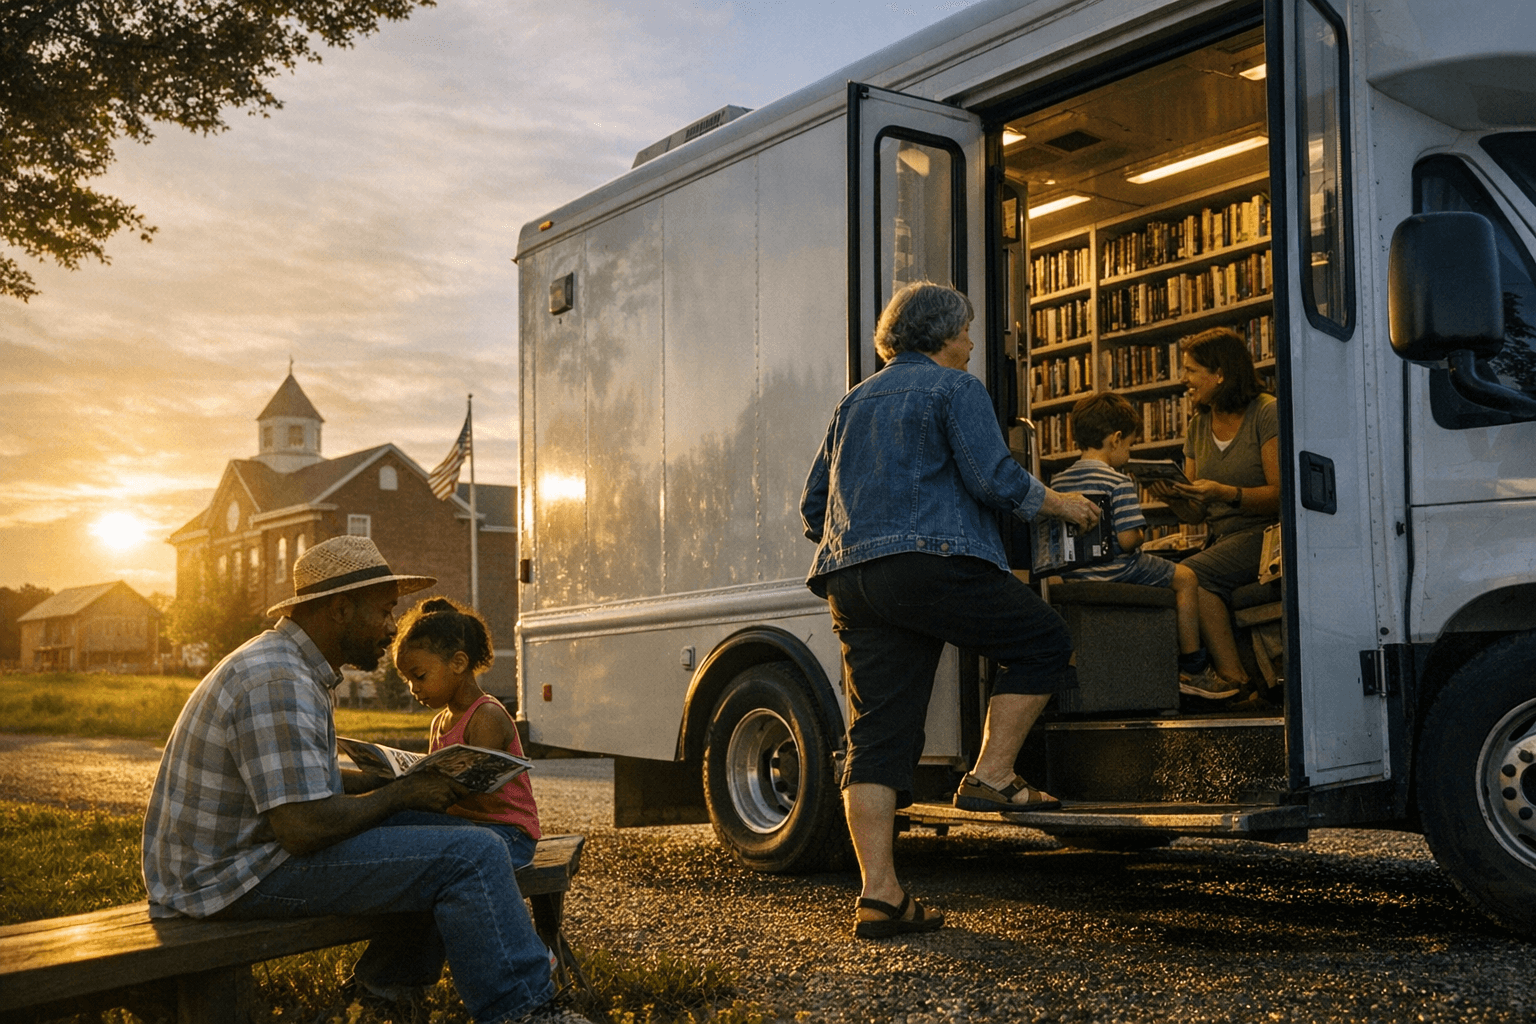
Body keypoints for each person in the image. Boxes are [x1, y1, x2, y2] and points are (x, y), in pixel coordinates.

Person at [142, 536, 589, 1024]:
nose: (391, 626)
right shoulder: (279, 680)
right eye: (383, 611)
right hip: (230, 877)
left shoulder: (289, 667)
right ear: (339, 609)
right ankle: (526, 1011)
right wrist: (399, 792)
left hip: (240, 858)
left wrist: (381, 779)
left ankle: (386, 988)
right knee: (472, 853)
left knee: (437, 836)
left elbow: (295, 786)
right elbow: (302, 827)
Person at [800, 281, 1101, 940]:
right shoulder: (954, 389)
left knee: (877, 736)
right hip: (932, 561)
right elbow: (994, 478)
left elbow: (813, 503)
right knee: (1043, 640)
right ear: (941, 334)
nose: (971, 343)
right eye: (965, 330)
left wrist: (868, 540)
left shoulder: (852, 401)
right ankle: (992, 773)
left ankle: (880, 895)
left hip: (851, 579)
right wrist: (1064, 506)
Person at [1148, 327, 1280, 703]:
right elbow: (1195, 511)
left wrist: (1228, 494)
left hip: (1268, 534)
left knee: (1194, 574)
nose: (1183, 379)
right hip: (1223, 538)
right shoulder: (1197, 425)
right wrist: (1173, 496)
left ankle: (1233, 679)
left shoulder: (1266, 413)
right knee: (1172, 570)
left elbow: (1280, 495)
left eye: (1191, 370)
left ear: (1219, 373)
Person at [1049, 391, 1213, 687]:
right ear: (1116, 438)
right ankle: (1194, 665)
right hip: (1117, 569)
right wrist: (1141, 533)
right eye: (1130, 444)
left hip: (1074, 573)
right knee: (1187, 578)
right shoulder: (1118, 480)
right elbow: (1127, 541)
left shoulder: (1058, 481)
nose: (1128, 452)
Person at [392, 596, 542, 868]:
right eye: (407, 680)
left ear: (458, 663)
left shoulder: (486, 717)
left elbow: (466, 787)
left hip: (508, 836)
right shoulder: (439, 722)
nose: (413, 688)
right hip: (468, 829)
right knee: (389, 823)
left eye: (420, 676)